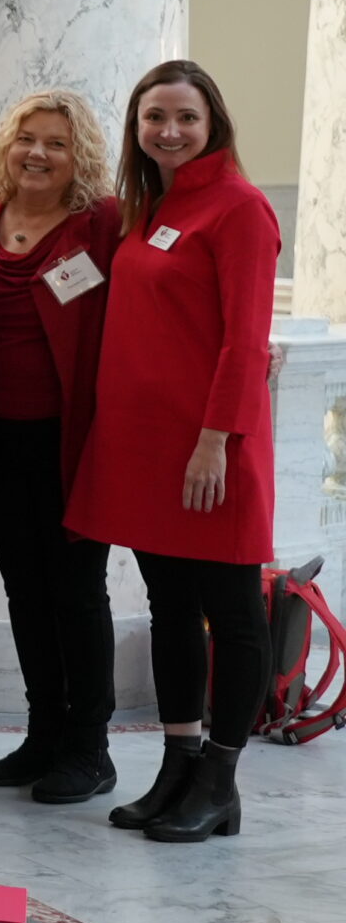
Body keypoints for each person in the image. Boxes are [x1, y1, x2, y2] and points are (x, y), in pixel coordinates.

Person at [69, 61, 280, 845]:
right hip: (148, 452)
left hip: (211, 452)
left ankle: (220, 779)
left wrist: (214, 440)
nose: (169, 131)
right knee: (170, 611)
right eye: (154, 116)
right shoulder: (151, 208)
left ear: (213, 123)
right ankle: (177, 762)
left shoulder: (241, 209)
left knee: (230, 613)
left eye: (185, 117)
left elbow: (245, 340)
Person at [0, 90, 121, 803]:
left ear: (78, 156)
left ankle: (90, 748)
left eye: (57, 143)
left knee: (78, 592)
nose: (38, 153)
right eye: (28, 138)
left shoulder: (102, 224)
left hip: (74, 442)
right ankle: (43, 734)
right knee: (24, 588)